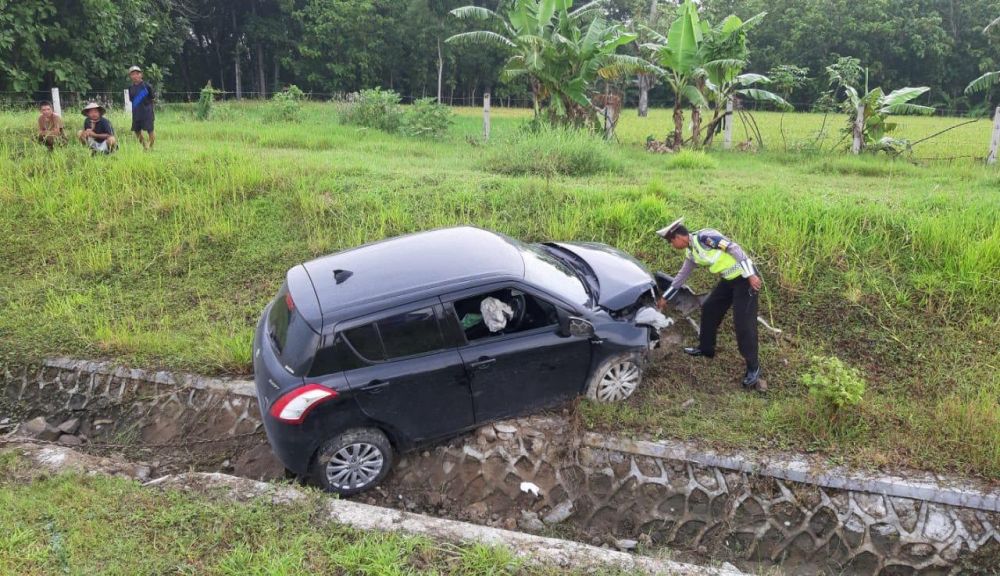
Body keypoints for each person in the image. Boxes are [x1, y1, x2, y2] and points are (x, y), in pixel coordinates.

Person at [657, 218, 763, 389]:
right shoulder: (692, 252)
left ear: (678, 237)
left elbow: (734, 248)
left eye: (671, 241)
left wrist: (750, 274)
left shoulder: (705, 237)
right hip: (729, 280)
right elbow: (681, 277)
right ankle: (706, 348)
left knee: (744, 323)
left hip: (745, 279)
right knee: (709, 308)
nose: (672, 245)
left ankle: (753, 367)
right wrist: (665, 298)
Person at [127, 65, 156, 150]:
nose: (135, 76)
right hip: (136, 113)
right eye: (133, 74)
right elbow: (132, 100)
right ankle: (145, 147)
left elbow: (152, 97)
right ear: (130, 76)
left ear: (141, 75)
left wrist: (149, 108)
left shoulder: (147, 86)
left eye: (137, 73)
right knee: (137, 131)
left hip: (147, 112)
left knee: (150, 130)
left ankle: (150, 147)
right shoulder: (130, 88)